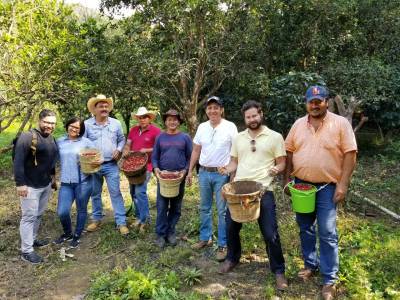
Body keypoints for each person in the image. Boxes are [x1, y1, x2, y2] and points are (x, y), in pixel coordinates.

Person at [284, 86, 357, 300]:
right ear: (306, 103)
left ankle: (329, 280)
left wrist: (343, 184)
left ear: (327, 102)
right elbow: (288, 152)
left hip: (327, 187)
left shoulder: (340, 123)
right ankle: (310, 264)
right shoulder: (298, 124)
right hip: (301, 186)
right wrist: (286, 180)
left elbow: (350, 155)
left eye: (319, 101)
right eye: (311, 101)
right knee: (305, 227)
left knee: (327, 232)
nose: (314, 105)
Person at [218, 100, 288, 290]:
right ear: (244, 119)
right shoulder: (239, 138)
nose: (252, 119)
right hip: (239, 191)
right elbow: (234, 163)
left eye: (254, 115)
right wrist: (226, 169)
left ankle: (279, 271)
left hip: (263, 190)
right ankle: (232, 258)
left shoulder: (275, 137)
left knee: (270, 232)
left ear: (261, 114)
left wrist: (276, 169)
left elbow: (282, 163)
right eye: (248, 117)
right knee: (231, 226)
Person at [187, 96, 238, 262]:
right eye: (209, 108)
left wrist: (233, 174)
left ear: (221, 109)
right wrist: (189, 171)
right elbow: (196, 150)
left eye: (216, 107)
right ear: (206, 110)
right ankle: (205, 238)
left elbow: (236, 152)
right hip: (203, 172)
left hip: (221, 174)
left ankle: (223, 244)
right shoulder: (202, 127)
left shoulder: (230, 127)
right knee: (204, 207)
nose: (212, 110)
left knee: (223, 210)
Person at [14, 109, 58, 264]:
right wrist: (20, 184)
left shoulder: (51, 138)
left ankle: (31, 240)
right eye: (46, 122)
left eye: (52, 123)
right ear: (39, 120)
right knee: (29, 217)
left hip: (45, 184)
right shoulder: (27, 137)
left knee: (38, 215)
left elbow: (50, 160)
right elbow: (18, 161)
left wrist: (52, 178)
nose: (49, 126)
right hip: (30, 186)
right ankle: (26, 251)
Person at [83, 94, 129, 235]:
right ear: (94, 109)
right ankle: (96, 219)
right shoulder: (87, 124)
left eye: (106, 106)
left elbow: (121, 139)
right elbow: (83, 142)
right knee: (95, 193)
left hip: (111, 164)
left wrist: (119, 149)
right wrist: (88, 157)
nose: (104, 108)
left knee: (115, 192)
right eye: (101, 106)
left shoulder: (116, 123)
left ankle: (121, 222)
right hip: (93, 165)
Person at [152, 109, 192, 248]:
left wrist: (186, 171)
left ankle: (171, 232)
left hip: (178, 177)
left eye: (175, 119)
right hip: (163, 177)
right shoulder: (160, 137)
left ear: (179, 121)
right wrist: (156, 168)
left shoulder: (185, 138)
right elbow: (155, 157)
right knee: (162, 206)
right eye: (169, 119)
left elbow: (190, 157)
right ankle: (160, 234)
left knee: (176, 207)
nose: (172, 122)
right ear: (165, 121)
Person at [53, 117, 95, 248]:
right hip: (66, 182)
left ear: (80, 130)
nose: (73, 129)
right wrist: (52, 177)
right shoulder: (59, 141)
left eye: (77, 127)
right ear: (67, 126)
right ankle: (67, 233)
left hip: (83, 182)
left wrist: (88, 163)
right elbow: (52, 160)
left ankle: (77, 235)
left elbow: (97, 159)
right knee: (62, 211)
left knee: (81, 209)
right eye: (71, 125)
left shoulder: (86, 142)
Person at [122, 107, 161, 231]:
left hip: (147, 166)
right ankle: (139, 217)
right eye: (140, 117)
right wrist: (127, 151)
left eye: (145, 117)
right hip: (133, 167)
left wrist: (147, 150)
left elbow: (160, 148)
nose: (142, 119)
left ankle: (145, 219)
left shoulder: (156, 131)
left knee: (140, 192)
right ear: (137, 119)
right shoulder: (133, 130)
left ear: (149, 118)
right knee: (133, 192)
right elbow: (128, 144)